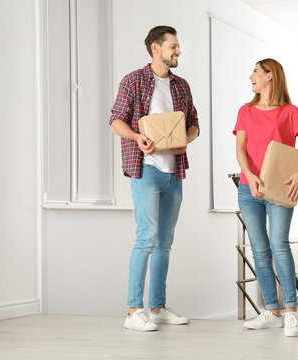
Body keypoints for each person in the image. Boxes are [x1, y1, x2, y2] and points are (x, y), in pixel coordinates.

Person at [109, 25, 199, 331]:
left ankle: (157, 307)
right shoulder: (134, 80)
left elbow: (194, 124)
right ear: (156, 48)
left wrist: (186, 138)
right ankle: (134, 311)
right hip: (145, 169)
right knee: (146, 238)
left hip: (174, 172)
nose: (178, 51)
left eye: (178, 46)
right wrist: (138, 137)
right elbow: (115, 121)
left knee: (164, 242)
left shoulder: (182, 86)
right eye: (173, 46)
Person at [233, 58, 298, 337]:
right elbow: (241, 150)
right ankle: (270, 310)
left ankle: (291, 313)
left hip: (280, 188)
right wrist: (250, 175)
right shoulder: (245, 111)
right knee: (259, 250)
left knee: (279, 245)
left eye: (256, 72)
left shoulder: (290, 111)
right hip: (249, 189)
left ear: (270, 76)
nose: (251, 77)